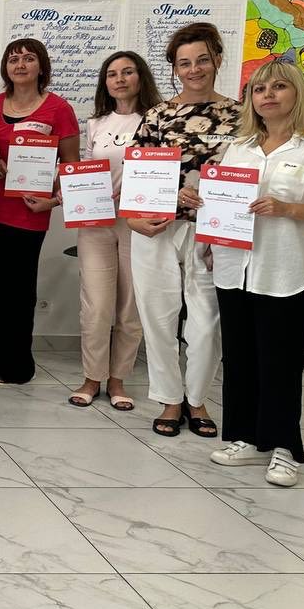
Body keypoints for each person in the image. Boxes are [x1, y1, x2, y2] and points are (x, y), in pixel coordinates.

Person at [207, 60, 304, 486]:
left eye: (278, 87)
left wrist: (288, 209)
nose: (267, 95)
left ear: (297, 93)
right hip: (235, 269)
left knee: (280, 364)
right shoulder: (240, 147)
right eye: (259, 89)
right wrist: (206, 210)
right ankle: (247, 438)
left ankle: (284, 447)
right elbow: (227, 204)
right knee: (240, 359)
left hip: (285, 271)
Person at [130, 22, 240, 437]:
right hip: (157, 228)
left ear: (217, 60)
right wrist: (163, 202)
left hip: (214, 232)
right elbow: (138, 177)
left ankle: (197, 398)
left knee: (207, 322)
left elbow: (249, 174)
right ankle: (170, 398)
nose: (194, 70)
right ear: (175, 68)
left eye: (202, 60)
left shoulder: (242, 116)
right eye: (184, 63)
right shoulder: (157, 116)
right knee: (158, 315)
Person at [0, 38, 80, 385]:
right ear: (5, 67)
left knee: (17, 292)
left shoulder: (58, 109)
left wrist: (54, 201)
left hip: (27, 215)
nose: (20, 65)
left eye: (28, 58)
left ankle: (18, 366)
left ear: (41, 66)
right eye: (13, 59)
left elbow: (72, 166)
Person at [67, 51, 162, 411]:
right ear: (104, 82)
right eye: (112, 74)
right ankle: (92, 377)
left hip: (138, 222)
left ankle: (118, 379)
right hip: (96, 222)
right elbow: (86, 170)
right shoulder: (96, 123)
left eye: (127, 72)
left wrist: (134, 191)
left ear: (141, 77)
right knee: (96, 305)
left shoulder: (158, 120)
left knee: (130, 306)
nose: (119, 79)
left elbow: (163, 171)